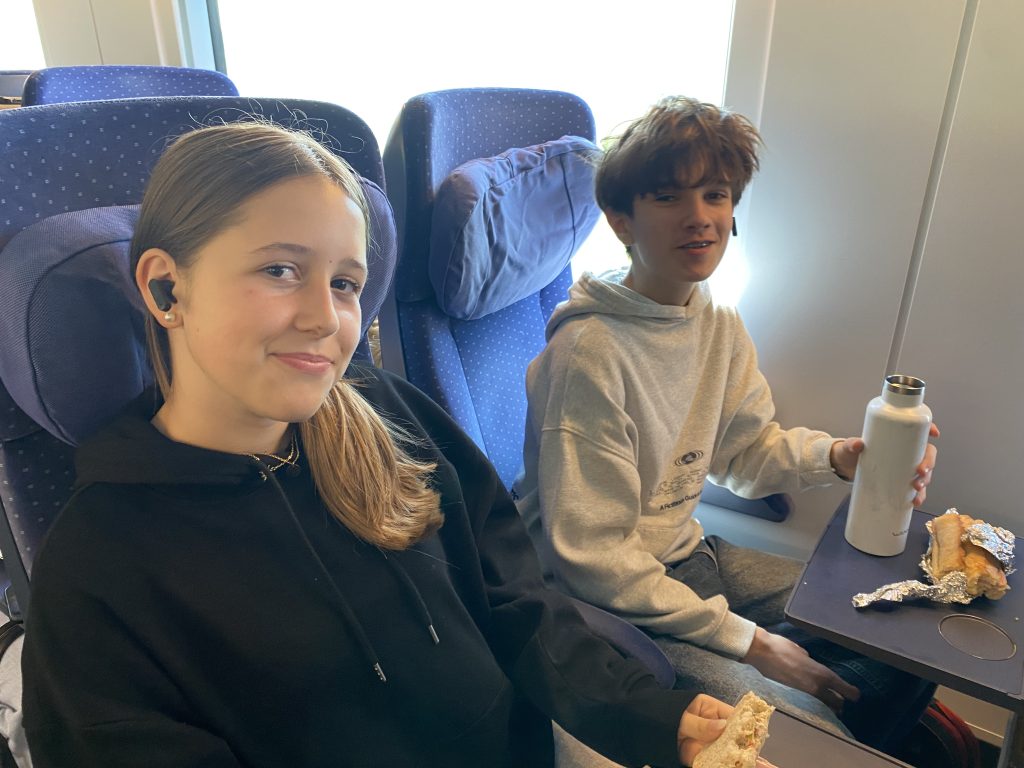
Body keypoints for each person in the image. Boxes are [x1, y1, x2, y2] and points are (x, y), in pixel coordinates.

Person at [19, 120, 740, 768]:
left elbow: (516, 603)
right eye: (279, 270)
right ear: (166, 289)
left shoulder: (389, 416)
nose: (323, 318)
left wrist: (652, 717)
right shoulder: (99, 568)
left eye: (345, 284)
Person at [513, 96, 939, 756]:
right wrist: (757, 646)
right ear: (622, 221)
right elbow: (594, 560)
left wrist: (841, 458)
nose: (700, 217)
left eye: (715, 194)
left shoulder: (716, 320)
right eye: (668, 197)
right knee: (795, 731)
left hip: (686, 556)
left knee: (909, 631)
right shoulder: (589, 355)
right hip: (604, 600)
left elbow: (744, 453)